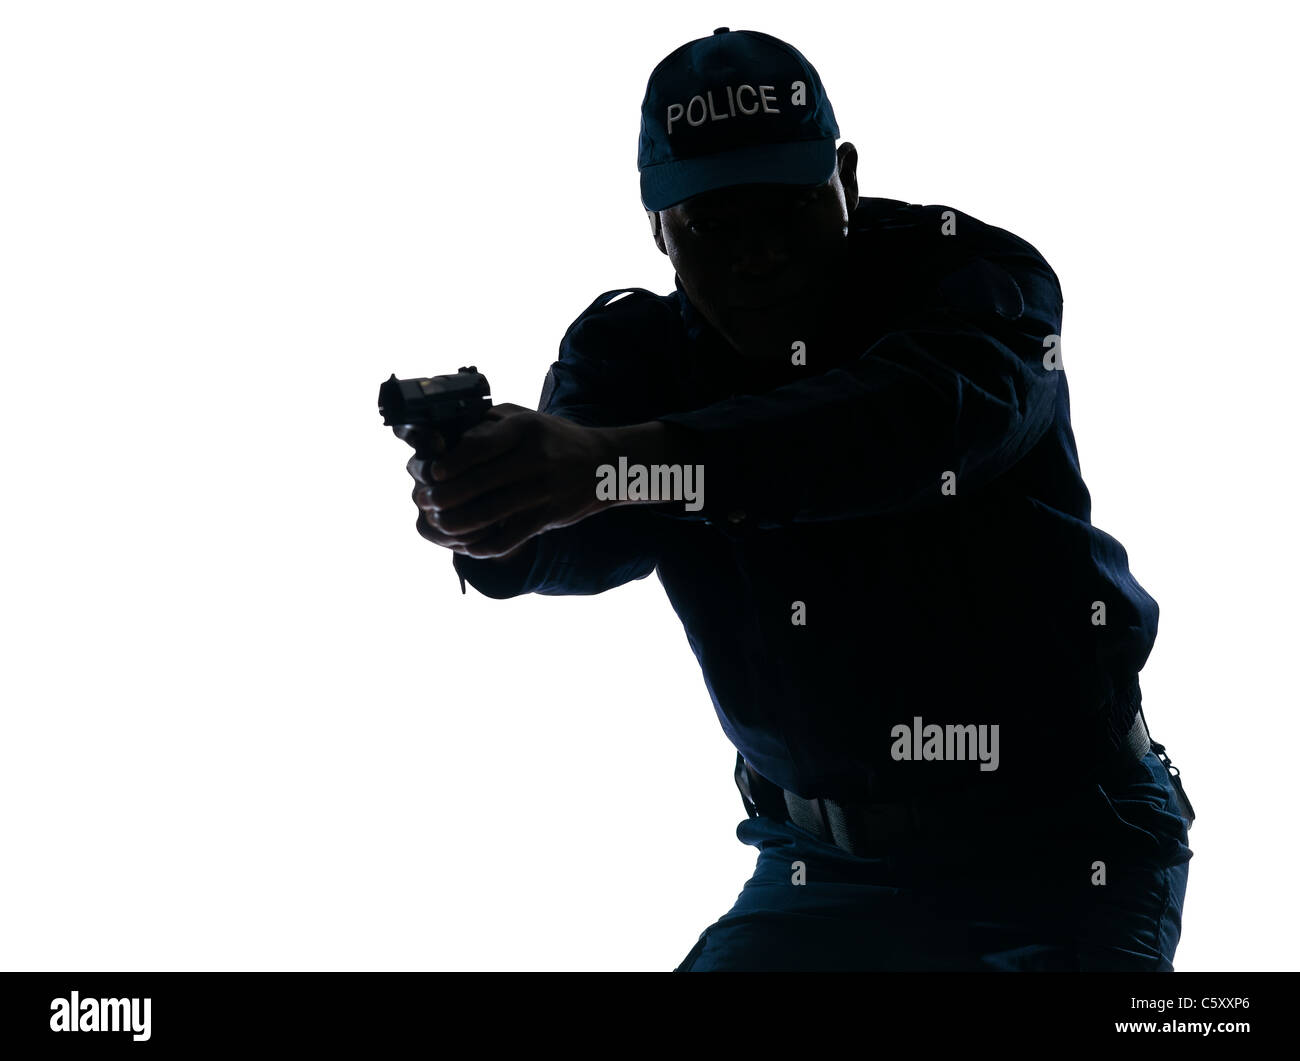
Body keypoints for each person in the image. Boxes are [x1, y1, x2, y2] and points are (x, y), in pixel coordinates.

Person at [400, 27, 1195, 971]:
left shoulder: (973, 284)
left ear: (847, 180)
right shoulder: (634, 354)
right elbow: (594, 528)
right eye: (715, 224)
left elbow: (903, 427)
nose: (760, 254)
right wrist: (495, 514)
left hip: (1065, 850)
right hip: (819, 868)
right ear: (656, 227)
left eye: (787, 209)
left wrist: (616, 461)